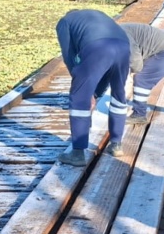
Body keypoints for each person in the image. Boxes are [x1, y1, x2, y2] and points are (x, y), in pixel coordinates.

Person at [54, 9, 131, 166]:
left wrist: (83, 88)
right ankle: (116, 144)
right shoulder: (96, 15)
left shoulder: (65, 21)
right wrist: (95, 93)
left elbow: (68, 55)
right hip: (124, 47)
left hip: (98, 47)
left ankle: (77, 154)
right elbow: (105, 72)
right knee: (118, 94)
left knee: (79, 99)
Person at [119, 23, 164, 124]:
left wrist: (134, 71)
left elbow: (135, 56)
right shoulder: (123, 29)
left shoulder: (120, 33)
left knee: (141, 78)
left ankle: (139, 114)